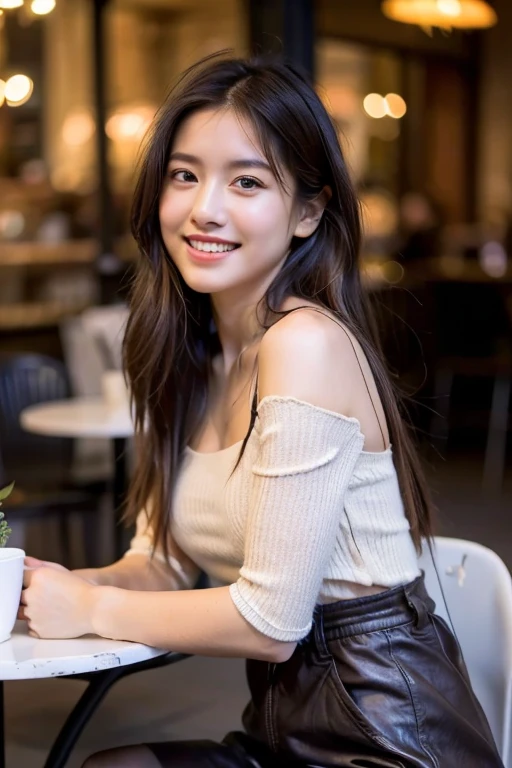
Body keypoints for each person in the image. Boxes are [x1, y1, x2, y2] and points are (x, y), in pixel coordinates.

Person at [20, 55, 503, 768]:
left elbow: (273, 622)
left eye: (246, 181)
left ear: (309, 212)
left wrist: (90, 611)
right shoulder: (187, 357)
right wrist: (45, 588)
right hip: (285, 732)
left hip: (388, 736)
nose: (203, 208)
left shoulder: (305, 344)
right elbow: (162, 564)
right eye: (184, 175)